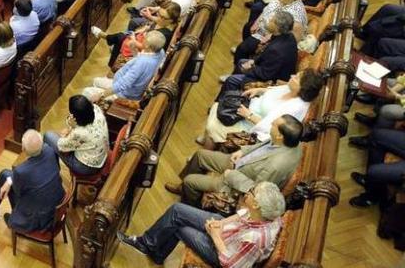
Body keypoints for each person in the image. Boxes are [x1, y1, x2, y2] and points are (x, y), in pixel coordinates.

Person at [117, 181, 287, 267]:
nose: (247, 192)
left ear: (256, 204)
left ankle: (149, 247)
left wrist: (215, 236)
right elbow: (241, 216)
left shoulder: (255, 239)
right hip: (226, 231)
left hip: (220, 251)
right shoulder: (265, 213)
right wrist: (219, 225)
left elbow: (230, 264)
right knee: (177, 210)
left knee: (180, 227)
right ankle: (150, 247)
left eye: (251, 192)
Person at [170, 116, 305, 206]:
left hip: (234, 182)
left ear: (280, 135)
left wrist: (231, 175)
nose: (270, 124)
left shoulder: (276, 166)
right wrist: (242, 151)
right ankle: (182, 188)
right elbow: (263, 146)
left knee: (190, 181)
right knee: (200, 155)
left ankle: (190, 205)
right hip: (240, 163)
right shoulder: (289, 141)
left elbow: (256, 190)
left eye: (274, 125)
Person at [201, 69, 322, 147]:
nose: (292, 76)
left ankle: (207, 149)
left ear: (302, 88)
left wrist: (248, 115)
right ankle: (209, 140)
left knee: (213, 125)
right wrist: (259, 90)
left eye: (296, 78)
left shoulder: (295, 107)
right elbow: (273, 91)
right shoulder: (290, 88)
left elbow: (272, 128)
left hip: (250, 126)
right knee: (218, 108)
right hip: (247, 109)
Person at [0, 129, 65, 229]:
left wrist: (10, 182)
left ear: (23, 149)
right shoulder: (50, 151)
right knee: (6, 174)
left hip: (38, 217)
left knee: (9, 181)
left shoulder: (22, 171)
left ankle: (12, 217)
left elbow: (18, 192)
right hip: (56, 202)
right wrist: (9, 181)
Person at [220, 11, 299, 95]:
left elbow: (266, 74)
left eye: (271, 20)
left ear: (277, 27)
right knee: (241, 62)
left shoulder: (276, 50)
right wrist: (253, 62)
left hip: (273, 81)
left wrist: (250, 67)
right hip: (270, 69)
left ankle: (223, 100)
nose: (268, 21)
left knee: (231, 80)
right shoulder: (289, 36)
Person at [234, 0, 307, 66]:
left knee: (241, 49)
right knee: (247, 27)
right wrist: (256, 23)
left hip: (269, 37)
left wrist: (269, 38)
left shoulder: (295, 16)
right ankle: (246, 55)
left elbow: (291, 39)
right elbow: (266, 10)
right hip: (264, 27)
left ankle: (239, 67)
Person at [82, 31, 166, 103]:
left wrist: (101, 95)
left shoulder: (142, 62)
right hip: (125, 85)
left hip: (125, 94)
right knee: (95, 81)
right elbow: (141, 61)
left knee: (87, 92)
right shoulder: (160, 52)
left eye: (144, 39)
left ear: (147, 46)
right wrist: (133, 49)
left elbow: (123, 84)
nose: (142, 39)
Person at [98, 3, 180, 70]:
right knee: (122, 38)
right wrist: (144, 29)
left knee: (121, 39)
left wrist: (134, 40)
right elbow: (155, 23)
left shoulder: (163, 35)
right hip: (140, 41)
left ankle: (112, 67)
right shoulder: (163, 22)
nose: (158, 18)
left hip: (140, 55)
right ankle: (112, 62)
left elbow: (146, 49)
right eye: (159, 14)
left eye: (163, 17)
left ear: (171, 20)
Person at [43, 95, 110, 175]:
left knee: (48, 136)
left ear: (76, 116)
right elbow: (72, 121)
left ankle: (52, 173)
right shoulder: (96, 109)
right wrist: (71, 127)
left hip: (87, 167)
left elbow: (62, 146)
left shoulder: (79, 133)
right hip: (101, 156)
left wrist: (69, 131)